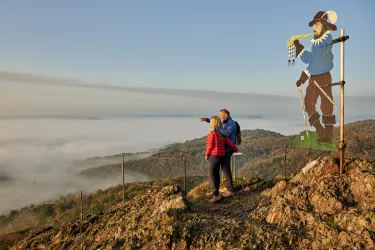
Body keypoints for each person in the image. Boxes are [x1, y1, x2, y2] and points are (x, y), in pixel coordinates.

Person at [294, 11, 337, 143]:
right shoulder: (317, 43)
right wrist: (303, 78)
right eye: (314, 26)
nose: (314, 28)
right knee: (309, 105)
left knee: (326, 106)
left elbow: (313, 60)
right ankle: (321, 132)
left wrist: (300, 49)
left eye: (317, 25)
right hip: (315, 78)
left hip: (323, 77)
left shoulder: (324, 42)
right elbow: (313, 64)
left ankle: (327, 135)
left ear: (324, 26)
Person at [200, 108, 237, 197]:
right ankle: (222, 189)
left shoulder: (231, 123)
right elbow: (218, 123)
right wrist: (207, 120)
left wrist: (215, 127)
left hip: (227, 149)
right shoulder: (224, 122)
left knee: (225, 168)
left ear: (226, 115)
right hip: (224, 149)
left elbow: (226, 133)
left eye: (221, 115)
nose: (220, 117)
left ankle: (229, 190)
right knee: (223, 168)